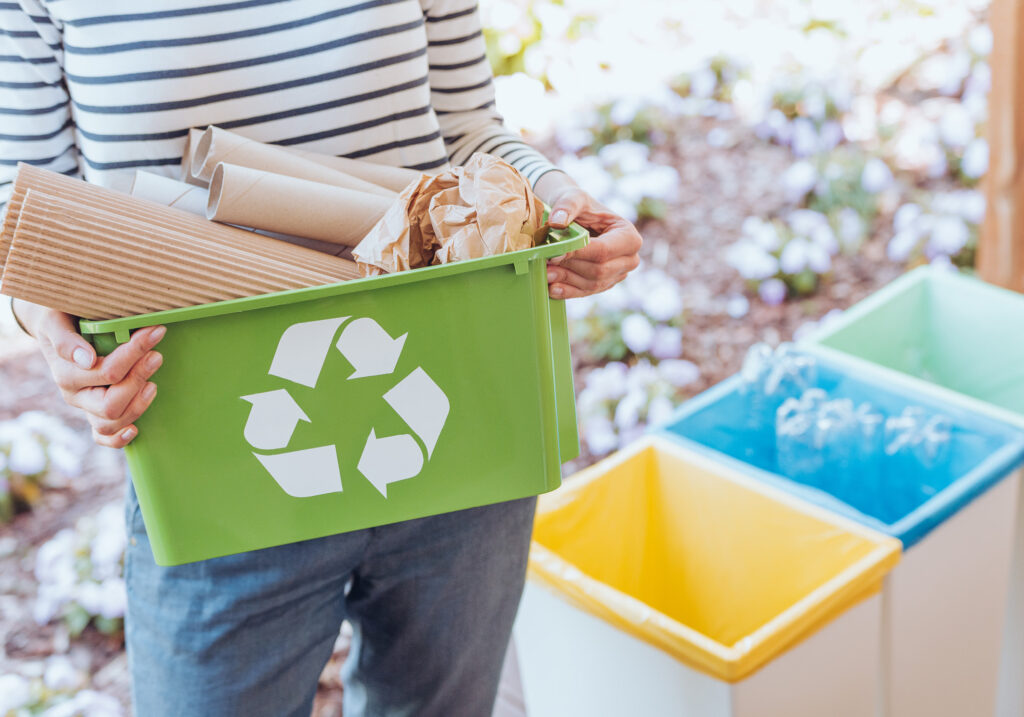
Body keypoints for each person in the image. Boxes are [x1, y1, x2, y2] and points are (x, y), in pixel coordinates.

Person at [2, 1, 642, 714]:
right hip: (211, 446)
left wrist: (561, 203)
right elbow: (23, 203)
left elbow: (468, 130)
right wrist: (58, 336)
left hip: (454, 407)